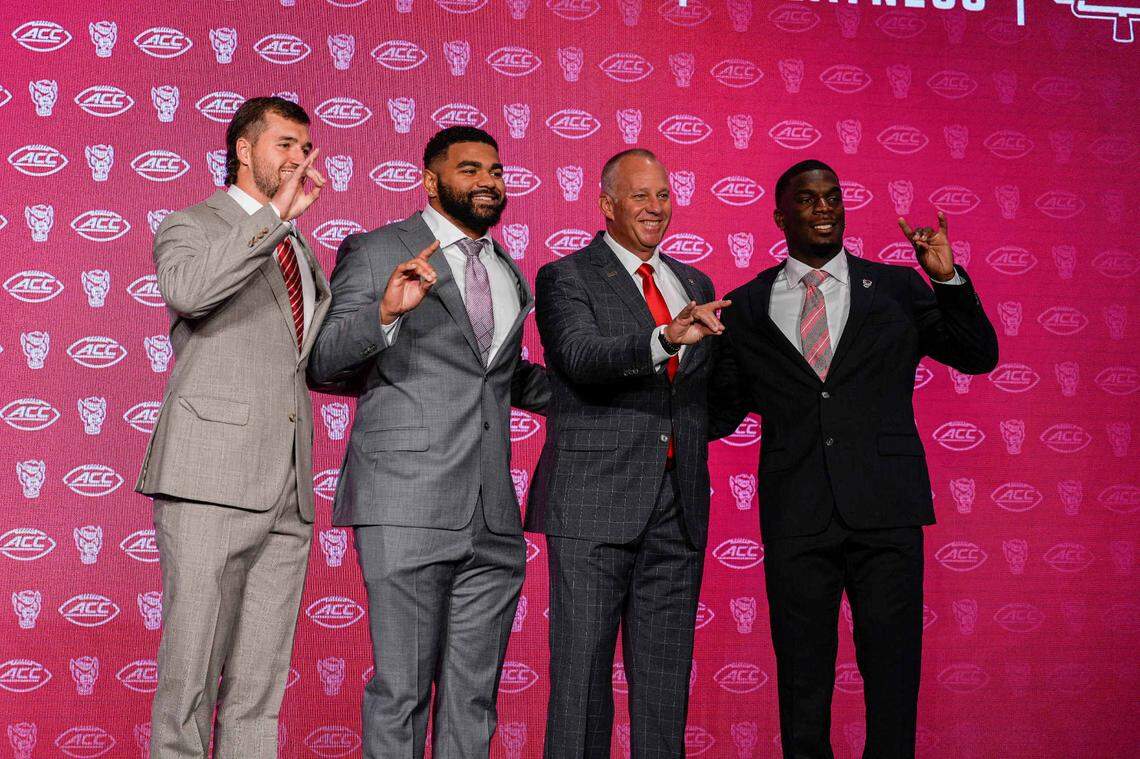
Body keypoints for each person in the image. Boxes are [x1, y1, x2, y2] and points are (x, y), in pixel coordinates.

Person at [714, 159, 999, 759]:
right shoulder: (743, 306)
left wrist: (947, 280)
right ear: (779, 216)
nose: (823, 208)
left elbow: (977, 356)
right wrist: (676, 356)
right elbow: (718, 413)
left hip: (887, 511)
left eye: (833, 197)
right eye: (808, 199)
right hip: (797, 516)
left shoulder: (896, 287)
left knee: (893, 674)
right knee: (803, 679)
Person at [307, 126, 548, 758]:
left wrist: (648, 361)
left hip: (492, 511)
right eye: (469, 170)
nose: (487, 182)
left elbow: (505, 376)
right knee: (403, 691)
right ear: (430, 180)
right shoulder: (378, 248)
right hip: (406, 502)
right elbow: (326, 362)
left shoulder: (507, 270)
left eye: (495, 171)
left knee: (474, 697)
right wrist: (385, 313)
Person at [135, 96, 330, 757]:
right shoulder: (192, 224)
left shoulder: (298, 244)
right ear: (244, 150)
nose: (299, 158)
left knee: (259, 685)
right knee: (189, 673)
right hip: (210, 477)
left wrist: (387, 316)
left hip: (288, 486)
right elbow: (190, 291)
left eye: (305, 147)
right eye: (285, 144)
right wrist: (276, 217)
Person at [526, 148, 731, 757]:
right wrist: (666, 337)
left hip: (678, 508)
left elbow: (703, 397)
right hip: (593, 504)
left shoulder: (695, 283)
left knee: (666, 686)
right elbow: (582, 361)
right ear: (606, 204)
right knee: (582, 682)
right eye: (640, 196)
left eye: (663, 195)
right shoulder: (567, 276)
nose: (655, 208)